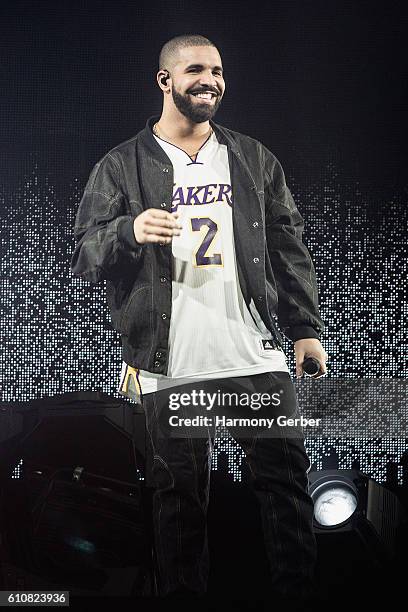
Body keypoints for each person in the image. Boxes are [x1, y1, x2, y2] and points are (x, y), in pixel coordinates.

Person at [71, 34, 327, 605]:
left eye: (216, 71)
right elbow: (84, 256)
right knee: (179, 502)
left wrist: (305, 328)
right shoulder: (120, 165)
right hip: (174, 365)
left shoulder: (254, 159)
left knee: (285, 490)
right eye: (194, 70)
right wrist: (127, 232)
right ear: (165, 80)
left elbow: (289, 247)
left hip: (253, 358)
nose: (208, 80)